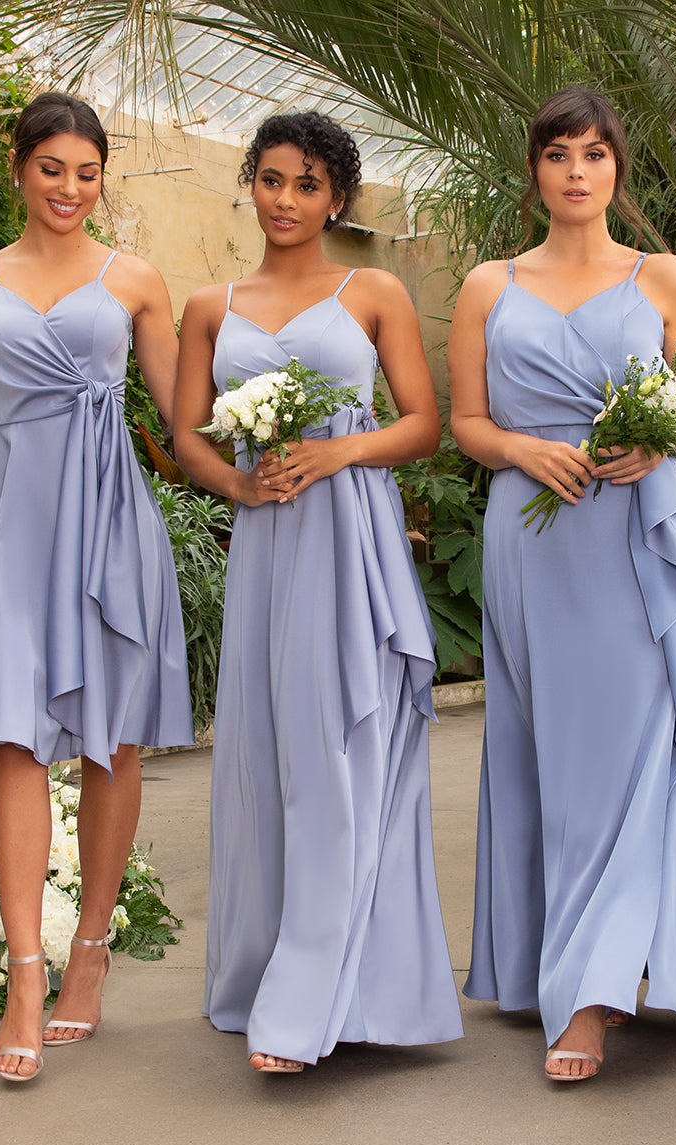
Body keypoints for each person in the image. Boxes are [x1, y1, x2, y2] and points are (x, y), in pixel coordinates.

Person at [448, 85, 676, 1083]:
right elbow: (465, 421)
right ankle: (577, 958)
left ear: (616, 168)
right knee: (556, 754)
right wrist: (520, 448)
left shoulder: (664, 277)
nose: (575, 171)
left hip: (639, 536)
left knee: (640, 747)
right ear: (533, 170)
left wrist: (657, 443)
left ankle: (592, 993)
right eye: (557, 154)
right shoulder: (487, 285)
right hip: (534, 540)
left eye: (593, 154)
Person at [0, 92, 194, 1083]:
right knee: (13, 739)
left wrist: (274, 451)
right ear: (19, 168)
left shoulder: (136, 279)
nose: (69, 188)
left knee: (111, 740)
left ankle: (91, 951)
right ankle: (25, 977)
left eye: (87, 172)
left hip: (110, 527)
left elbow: (183, 419)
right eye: (51, 169)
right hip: (8, 530)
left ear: (101, 177)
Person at [174, 111, 463, 1072]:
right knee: (270, 753)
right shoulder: (208, 307)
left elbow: (422, 424)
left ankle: (314, 1002)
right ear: (250, 185)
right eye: (271, 179)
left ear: (336, 198)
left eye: (307, 184)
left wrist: (338, 450)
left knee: (344, 746)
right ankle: (273, 975)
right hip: (268, 541)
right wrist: (240, 484)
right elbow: (187, 437)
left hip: (351, 536)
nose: (286, 200)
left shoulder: (372, 290)